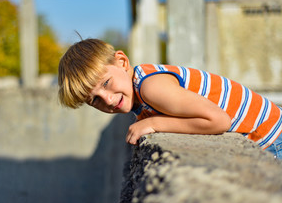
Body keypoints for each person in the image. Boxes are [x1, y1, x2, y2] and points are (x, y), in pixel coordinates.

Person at [58, 38, 282, 159]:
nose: (106, 99)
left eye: (106, 83)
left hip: (272, 138)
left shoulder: (150, 87)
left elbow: (219, 121)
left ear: (122, 62)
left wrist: (153, 123)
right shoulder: (139, 89)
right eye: (94, 100)